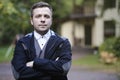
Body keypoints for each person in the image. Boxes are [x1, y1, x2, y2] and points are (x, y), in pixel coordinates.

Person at [11, 1, 72, 80]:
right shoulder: (22, 43)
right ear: (31, 21)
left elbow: (63, 68)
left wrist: (35, 63)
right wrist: (54, 70)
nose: (43, 20)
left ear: (51, 20)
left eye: (46, 16)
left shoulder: (63, 42)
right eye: (38, 16)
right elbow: (18, 74)